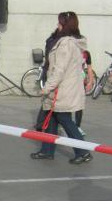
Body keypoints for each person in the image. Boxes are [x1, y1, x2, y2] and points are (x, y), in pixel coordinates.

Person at [30, 11, 92, 164]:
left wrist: (46, 88)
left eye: (59, 22)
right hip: (64, 89)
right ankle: (47, 150)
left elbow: (59, 70)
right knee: (51, 118)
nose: (57, 25)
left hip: (62, 90)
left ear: (65, 25)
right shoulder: (72, 42)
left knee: (65, 120)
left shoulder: (65, 43)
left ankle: (83, 151)